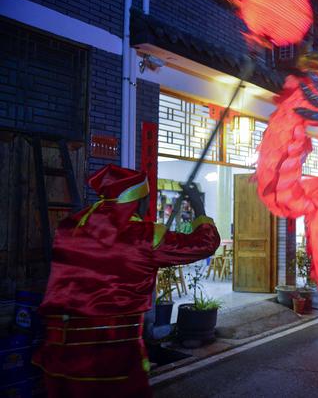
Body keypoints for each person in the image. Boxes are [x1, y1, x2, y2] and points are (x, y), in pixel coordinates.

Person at [32, 164, 220, 398]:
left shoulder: (71, 227)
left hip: (60, 351)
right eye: (146, 198)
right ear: (136, 200)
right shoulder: (143, 237)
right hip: (111, 358)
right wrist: (199, 206)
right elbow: (204, 244)